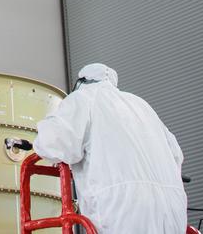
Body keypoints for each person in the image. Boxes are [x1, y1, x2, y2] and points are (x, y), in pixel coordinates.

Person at [32, 63, 187, 234]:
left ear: (82, 81)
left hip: (123, 212)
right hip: (173, 213)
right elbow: (176, 155)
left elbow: (52, 141)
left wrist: (39, 145)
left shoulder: (83, 98)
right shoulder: (142, 105)